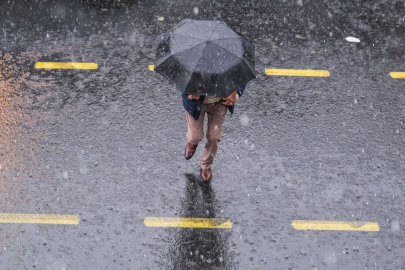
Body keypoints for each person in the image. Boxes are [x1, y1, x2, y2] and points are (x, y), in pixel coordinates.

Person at [182, 85, 246, 182]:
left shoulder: (227, 68)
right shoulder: (194, 69)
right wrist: (189, 89)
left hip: (220, 103)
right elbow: (180, 75)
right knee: (195, 137)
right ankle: (193, 142)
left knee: (214, 137)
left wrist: (236, 93)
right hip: (196, 102)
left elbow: (242, 73)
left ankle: (205, 164)